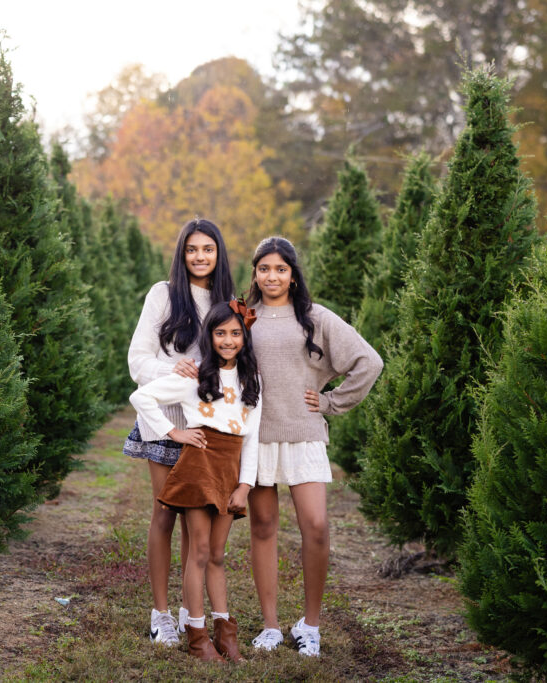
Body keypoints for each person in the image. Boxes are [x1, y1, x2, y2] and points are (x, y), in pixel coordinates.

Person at [245, 236, 383, 657]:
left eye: (280, 269)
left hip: (304, 433)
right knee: (264, 528)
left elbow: (368, 361)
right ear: (255, 273)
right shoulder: (243, 315)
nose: (272, 276)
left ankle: (310, 624)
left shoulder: (315, 317)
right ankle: (270, 625)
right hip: (256, 436)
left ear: (292, 274)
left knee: (316, 527)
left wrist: (330, 402)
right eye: (264, 268)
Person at [129, 301, 261, 662]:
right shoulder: (196, 377)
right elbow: (141, 396)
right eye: (220, 333)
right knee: (199, 551)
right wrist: (176, 432)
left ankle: (225, 634)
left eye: (236, 334)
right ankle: (198, 637)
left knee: (217, 554)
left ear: (245, 338)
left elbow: (252, 437)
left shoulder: (253, 381)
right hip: (199, 468)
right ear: (210, 337)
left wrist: (245, 485)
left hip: (229, 473)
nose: (228, 340)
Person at [125, 218, 235, 647]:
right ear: (182, 253)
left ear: (218, 253)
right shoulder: (163, 295)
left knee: (199, 524)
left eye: (208, 248)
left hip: (206, 426)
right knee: (164, 514)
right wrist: (174, 367)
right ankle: (161, 614)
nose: (200, 256)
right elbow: (138, 360)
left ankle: (195, 615)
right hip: (163, 419)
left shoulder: (230, 300)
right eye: (192, 249)